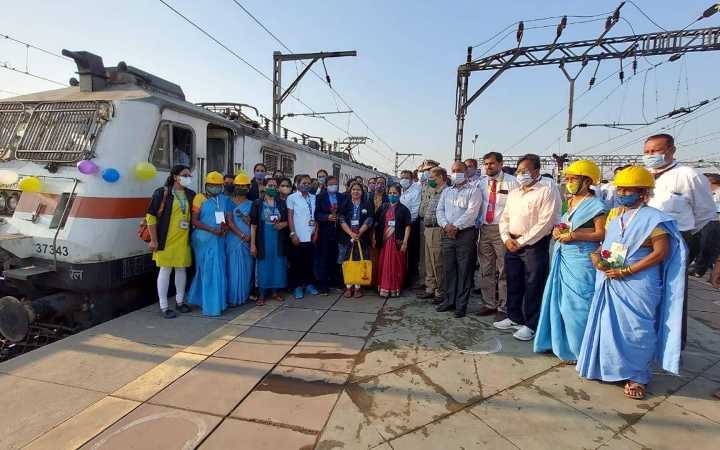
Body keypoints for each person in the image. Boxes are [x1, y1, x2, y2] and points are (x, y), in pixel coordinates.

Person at [577, 166, 686, 400]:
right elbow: (607, 246)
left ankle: (638, 376)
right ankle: (608, 368)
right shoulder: (616, 217)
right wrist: (597, 256)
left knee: (637, 328)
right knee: (607, 324)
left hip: (639, 281)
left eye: (629, 189)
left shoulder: (654, 219)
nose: (623, 193)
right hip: (611, 278)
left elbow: (661, 253)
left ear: (644, 193)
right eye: (621, 188)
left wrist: (628, 270)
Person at [643, 133, 717, 347]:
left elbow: (705, 213)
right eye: (647, 152)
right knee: (645, 290)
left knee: (673, 293)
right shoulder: (642, 175)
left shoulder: (688, 175)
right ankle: (645, 339)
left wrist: (684, 234)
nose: (650, 156)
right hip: (642, 241)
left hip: (676, 239)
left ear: (671, 150)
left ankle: (672, 344)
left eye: (655, 151)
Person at [534, 160, 607, 362]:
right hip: (564, 254)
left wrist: (574, 235)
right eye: (568, 179)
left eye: (573, 179)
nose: (569, 182)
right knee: (560, 301)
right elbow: (565, 224)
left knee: (578, 306)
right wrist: (559, 231)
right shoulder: (571, 201)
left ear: (587, 181)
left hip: (582, 259)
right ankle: (562, 344)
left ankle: (582, 349)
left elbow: (602, 233)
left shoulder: (596, 205)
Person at [496, 154, 561, 341]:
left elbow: (545, 222)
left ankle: (531, 324)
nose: (521, 174)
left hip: (534, 245)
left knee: (534, 285)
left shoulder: (547, 190)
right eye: (518, 171)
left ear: (537, 171)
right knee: (514, 281)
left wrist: (521, 241)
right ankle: (514, 317)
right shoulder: (515, 192)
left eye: (525, 171)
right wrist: (506, 238)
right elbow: (505, 217)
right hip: (511, 243)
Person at [146, 165, 196, 319]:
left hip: (183, 239)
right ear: (175, 176)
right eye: (184, 175)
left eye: (189, 175)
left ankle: (180, 302)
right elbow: (151, 217)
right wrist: (154, 240)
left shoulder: (191, 194)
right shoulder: (162, 193)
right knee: (165, 270)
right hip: (165, 239)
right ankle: (164, 306)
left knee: (181, 270)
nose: (188, 177)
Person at [435, 161, 483, 318]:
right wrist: (445, 225)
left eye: (460, 170)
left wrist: (455, 226)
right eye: (454, 170)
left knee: (464, 271)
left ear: (466, 171)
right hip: (447, 234)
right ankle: (449, 301)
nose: (456, 173)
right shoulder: (447, 191)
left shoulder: (474, 191)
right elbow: (439, 210)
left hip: (465, 235)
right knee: (449, 269)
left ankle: (461, 305)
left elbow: (471, 213)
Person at [475, 152, 518, 319]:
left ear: (501, 164)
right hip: (484, 229)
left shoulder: (512, 182)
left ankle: (504, 306)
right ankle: (489, 303)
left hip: (502, 230)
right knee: (486, 269)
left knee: (504, 270)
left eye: (492, 163)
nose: (488, 167)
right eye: (486, 164)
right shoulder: (481, 183)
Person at [188, 171, 228, 316]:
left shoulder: (223, 199)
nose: (215, 187)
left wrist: (223, 227)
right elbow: (195, 220)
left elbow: (223, 218)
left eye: (218, 185)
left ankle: (217, 302)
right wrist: (212, 230)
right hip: (203, 239)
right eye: (212, 185)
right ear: (206, 185)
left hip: (219, 238)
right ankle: (208, 304)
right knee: (207, 270)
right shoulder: (200, 198)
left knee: (218, 270)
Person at [250, 178, 289, 305]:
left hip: (278, 241)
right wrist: (252, 244)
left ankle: (275, 292)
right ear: (265, 187)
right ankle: (261, 294)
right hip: (263, 241)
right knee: (263, 267)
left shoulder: (282, 203)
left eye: (274, 186)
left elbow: (289, 220)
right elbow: (253, 225)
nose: (272, 187)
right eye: (270, 185)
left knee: (278, 265)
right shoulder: (257, 203)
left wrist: (283, 224)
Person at [374, 183, 412, 298]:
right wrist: (374, 238)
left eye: (395, 193)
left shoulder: (404, 209)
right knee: (383, 265)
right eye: (390, 193)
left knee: (396, 266)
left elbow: (408, 226)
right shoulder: (383, 207)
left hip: (397, 242)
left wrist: (405, 242)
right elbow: (375, 223)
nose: (392, 195)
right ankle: (384, 287)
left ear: (399, 194)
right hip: (384, 242)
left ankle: (394, 288)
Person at [338, 182, 374, 298]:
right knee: (347, 262)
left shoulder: (367, 204)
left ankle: (358, 287)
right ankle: (348, 287)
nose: (356, 191)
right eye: (353, 189)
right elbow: (341, 219)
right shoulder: (344, 204)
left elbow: (369, 219)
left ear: (362, 192)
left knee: (359, 262)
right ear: (350, 191)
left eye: (358, 189)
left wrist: (359, 233)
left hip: (361, 237)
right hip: (347, 237)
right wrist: (351, 233)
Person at [417, 166, 447, 303]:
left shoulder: (446, 192)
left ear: (441, 177)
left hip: (437, 229)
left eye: (432, 178)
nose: (430, 181)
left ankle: (440, 292)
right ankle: (430, 288)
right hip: (428, 228)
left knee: (437, 262)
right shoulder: (434, 191)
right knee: (429, 261)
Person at [287, 174, 319, 299]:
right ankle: (297, 287)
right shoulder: (292, 198)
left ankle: (309, 284)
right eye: (303, 183)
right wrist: (292, 234)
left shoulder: (313, 197)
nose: (306, 185)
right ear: (297, 184)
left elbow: (315, 217)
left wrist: (316, 232)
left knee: (309, 262)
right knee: (297, 263)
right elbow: (290, 216)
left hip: (310, 235)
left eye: (308, 183)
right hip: (298, 236)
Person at [225, 173, 254, 307]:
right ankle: (232, 297)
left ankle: (243, 296)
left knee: (246, 268)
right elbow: (227, 222)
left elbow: (253, 223)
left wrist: (249, 236)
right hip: (232, 239)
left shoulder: (252, 204)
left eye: (244, 186)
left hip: (248, 240)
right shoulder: (227, 202)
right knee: (231, 269)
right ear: (234, 187)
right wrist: (241, 235)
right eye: (239, 186)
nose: (242, 188)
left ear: (249, 188)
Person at [315, 176, 345, 294]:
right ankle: (323, 284)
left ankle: (335, 281)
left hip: (338, 232)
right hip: (324, 233)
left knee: (336, 258)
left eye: (335, 184)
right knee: (323, 258)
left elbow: (344, 211)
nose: (334, 186)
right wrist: (327, 217)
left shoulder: (341, 197)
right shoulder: (320, 197)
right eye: (331, 184)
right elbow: (316, 213)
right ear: (326, 186)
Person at [416, 159, 440, 293]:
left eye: (429, 170)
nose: (425, 172)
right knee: (424, 256)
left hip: (434, 225)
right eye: (424, 171)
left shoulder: (439, 186)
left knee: (434, 258)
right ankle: (427, 282)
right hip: (423, 223)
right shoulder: (425, 185)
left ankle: (436, 285)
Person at [690, 173, 720, 278]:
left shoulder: (718, 193)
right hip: (704, 221)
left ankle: (699, 270)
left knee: (707, 246)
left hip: (714, 222)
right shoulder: (707, 193)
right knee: (699, 245)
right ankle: (697, 267)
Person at [399, 170, 422, 288]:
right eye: (402, 177)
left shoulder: (416, 191)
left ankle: (411, 279)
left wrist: (406, 223)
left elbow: (415, 210)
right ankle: (401, 276)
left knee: (411, 253)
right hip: (399, 226)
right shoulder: (400, 190)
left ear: (412, 179)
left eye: (406, 178)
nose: (404, 180)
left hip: (411, 225)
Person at [370, 176, 389, 285]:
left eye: (382, 183)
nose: (379, 185)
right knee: (371, 255)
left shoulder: (387, 198)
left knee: (380, 255)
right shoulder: (369, 196)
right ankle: (370, 280)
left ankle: (379, 280)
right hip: (369, 228)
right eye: (378, 183)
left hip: (382, 229)